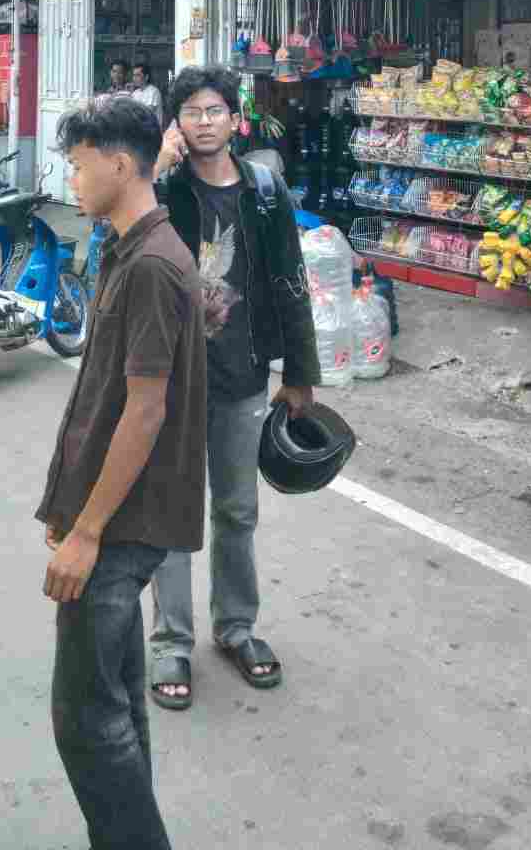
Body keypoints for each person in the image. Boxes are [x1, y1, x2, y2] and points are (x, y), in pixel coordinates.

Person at [38, 97, 205, 850]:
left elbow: (143, 412)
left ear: (119, 163)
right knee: (115, 702)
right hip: (108, 512)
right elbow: (96, 396)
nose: (70, 178)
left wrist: (87, 531)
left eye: (78, 164)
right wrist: (62, 503)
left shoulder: (153, 266)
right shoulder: (123, 249)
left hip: (123, 523)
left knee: (85, 719)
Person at [148, 64, 320, 711]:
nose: (203, 121)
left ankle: (236, 627)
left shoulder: (263, 191)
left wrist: (299, 373)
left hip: (243, 377)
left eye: (214, 109)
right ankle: (170, 640)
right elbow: (117, 246)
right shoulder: (163, 188)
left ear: (234, 118)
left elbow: (290, 283)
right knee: (170, 513)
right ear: (177, 122)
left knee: (237, 512)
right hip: (168, 379)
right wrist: (153, 170)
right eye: (191, 111)